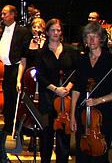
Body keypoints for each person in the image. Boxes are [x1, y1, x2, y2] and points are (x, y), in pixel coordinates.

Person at [36, 18, 79, 163]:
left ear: (61, 32)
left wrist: (68, 87)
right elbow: (39, 76)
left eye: (58, 30)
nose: (56, 32)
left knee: (63, 137)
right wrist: (55, 89)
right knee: (46, 136)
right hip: (47, 97)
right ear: (47, 32)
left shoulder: (70, 51)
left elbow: (76, 72)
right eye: (53, 30)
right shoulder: (41, 53)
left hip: (65, 99)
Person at [71, 22, 112, 163]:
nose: (91, 40)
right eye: (88, 37)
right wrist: (72, 115)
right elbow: (76, 89)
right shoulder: (82, 61)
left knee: (100, 155)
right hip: (82, 113)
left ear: (101, 39)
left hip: (104, 114)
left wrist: (98, 100)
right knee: (82, 154)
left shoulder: (109, 60)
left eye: (94, 36)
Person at [0, 5, 31, 134]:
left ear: (12, 15)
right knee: (5, 99)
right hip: (1, 68)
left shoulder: (22, 31)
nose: (2, 16)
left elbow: (23, 55)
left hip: (15, 68)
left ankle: (13, 127)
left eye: (5, 14)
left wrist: (19, 78)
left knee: (12, 99)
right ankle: (7, 124)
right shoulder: (1, 30)